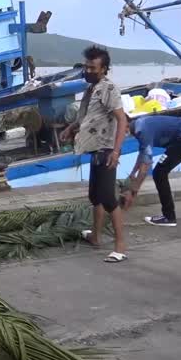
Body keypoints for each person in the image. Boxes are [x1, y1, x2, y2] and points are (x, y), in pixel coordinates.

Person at [60, 46, 128, 263]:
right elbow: (89, 117)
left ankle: (120, 245)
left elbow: (122, 119)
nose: (88, 70)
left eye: (93, 67)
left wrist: (116, 151)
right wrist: (71, 127)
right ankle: (96, 236)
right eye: (86, 66)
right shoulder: (92, 89)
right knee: (95, 196)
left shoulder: (109, 89)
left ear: (104, 69)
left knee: (108, 198)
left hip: (107, 149)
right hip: (94, 148)